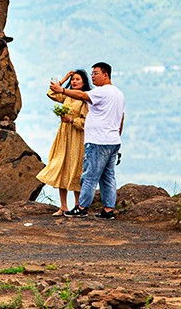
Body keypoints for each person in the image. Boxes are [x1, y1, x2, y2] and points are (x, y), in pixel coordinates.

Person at [49, 62, 125, 219]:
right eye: (92, 74)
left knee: (89, 176)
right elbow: (121, 118)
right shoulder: (119, 94)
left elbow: (83, 96)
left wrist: (62, 89)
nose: (93, 76)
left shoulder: (102, 92)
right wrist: (117, 135)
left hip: (98, 141)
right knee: (107, 177)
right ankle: (108, 210)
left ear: (106, 75)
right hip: (112, 140)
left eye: (96, 73)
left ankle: (81, 207)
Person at [37, 70, 91, 216]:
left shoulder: (85, 100)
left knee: (76, 168)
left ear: (84, 83)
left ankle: (78, 206)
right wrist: (64, 79)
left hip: (77, 137)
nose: (74, 82)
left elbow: (87, 122)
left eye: (77, 79)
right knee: (61, 166)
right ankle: (63, 206)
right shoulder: (66, 96)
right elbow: (51, 93)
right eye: (72, 79)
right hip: (63, 135)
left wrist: (72, 120)